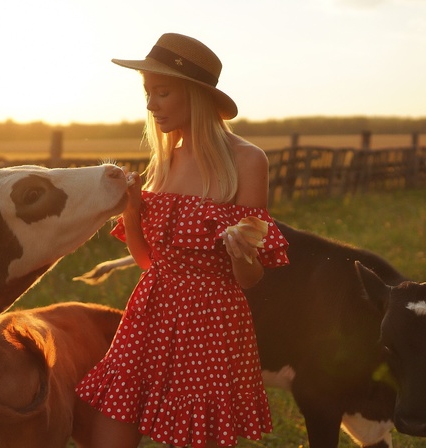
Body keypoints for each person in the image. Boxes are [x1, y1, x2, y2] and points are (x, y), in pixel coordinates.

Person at [75, 32, 289, 448]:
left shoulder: (248, 161)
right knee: (109, 438)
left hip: (211, 325)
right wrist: (133, 212)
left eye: (163, 92)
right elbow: (148, 263)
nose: (151, 105)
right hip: (150, 314)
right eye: (147, 93)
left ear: (195, 95)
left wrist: (239, 251)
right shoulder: (164, 160)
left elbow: (249, 280)